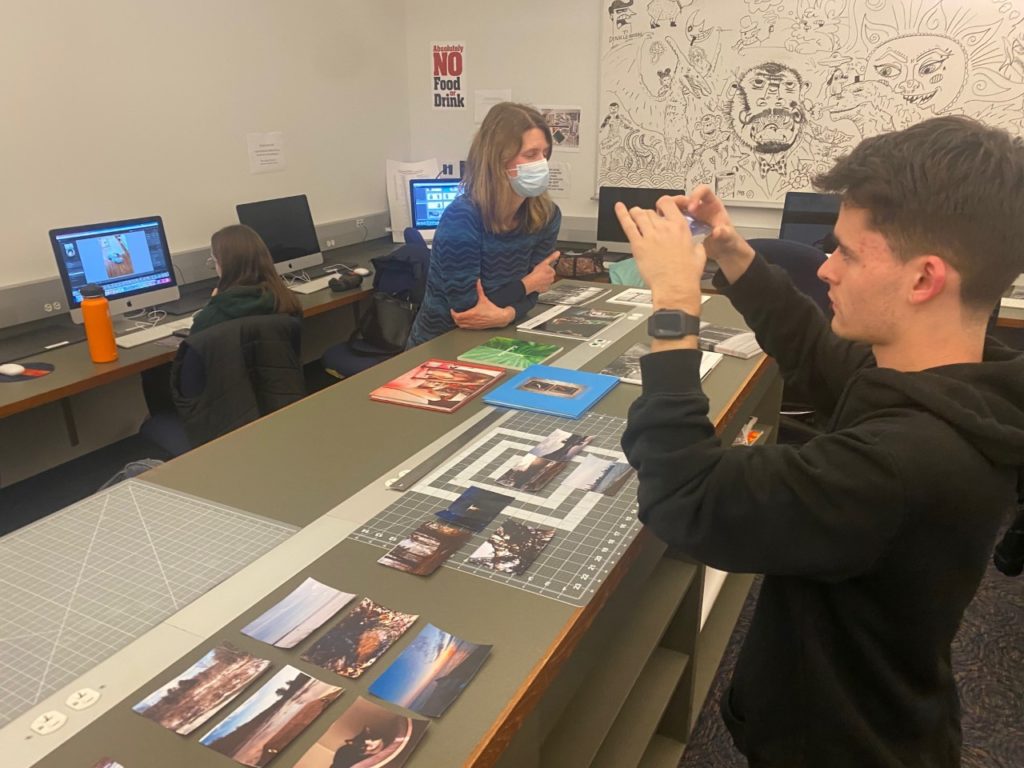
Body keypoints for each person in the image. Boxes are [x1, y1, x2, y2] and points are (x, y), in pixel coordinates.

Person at [616, 115, 1024, 766]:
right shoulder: (953, 381)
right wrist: (726, 247)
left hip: (838, 745)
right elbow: (810, 346)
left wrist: (673, 300)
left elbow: (688, 497)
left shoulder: (903, 463)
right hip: (885, 707)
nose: (826, 269)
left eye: (846, 252)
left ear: (924, 279)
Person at [406, 102, 562, 347]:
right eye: (531, 154)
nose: (542, 163)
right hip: (441, 343)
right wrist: (528, 283)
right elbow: (467, 311)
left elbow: (533, 297)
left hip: (501, 337)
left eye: (545, 153)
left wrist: (507, 314)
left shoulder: (546, 215)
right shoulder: (462, 218)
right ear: (498, 160)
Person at [190, 224, 302, 334]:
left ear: (226, 265)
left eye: (214, 262)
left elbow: (195, 346)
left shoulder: (210, 318)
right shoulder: (287, 301)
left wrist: (212, 305)